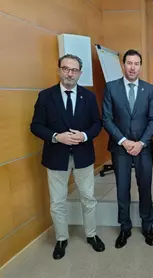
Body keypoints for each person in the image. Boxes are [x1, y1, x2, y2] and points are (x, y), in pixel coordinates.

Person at [30, 54, 104, 260]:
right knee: (57, 201)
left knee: (88, 198)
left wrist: (85, 135)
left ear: (80, 73)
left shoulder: (88, 97)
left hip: (83, 155)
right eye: (66, 69)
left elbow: (97, 123)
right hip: (56, 157)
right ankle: (61, 239)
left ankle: (91, 235)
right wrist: (56, 137)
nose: (70, 73)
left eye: (74, 70)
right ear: (59, 70)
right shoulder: (46, 96)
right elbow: (35, 126)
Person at [102, 49, 153, 248]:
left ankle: (147, 226)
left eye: (136, 63)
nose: (133, 67)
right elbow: (107, 119)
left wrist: (141, 142)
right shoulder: (111, 88)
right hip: (120, 148)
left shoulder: (149, 89)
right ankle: (124, 228)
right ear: (123, 65)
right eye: (129, 63)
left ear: (141, 67)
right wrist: (124, 141)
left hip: (143, 148)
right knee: (122, 189)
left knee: (145, 187)